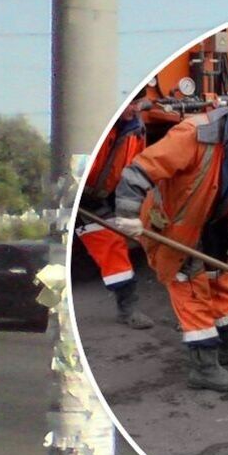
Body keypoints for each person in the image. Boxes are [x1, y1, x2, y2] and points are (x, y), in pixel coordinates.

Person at [111, 102, 228, 392]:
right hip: (173, 228)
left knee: (221, 282)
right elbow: (138, 172)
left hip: (212, 226)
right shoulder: (193, 136)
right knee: (191, 291)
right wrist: (127, 216)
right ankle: (204, 369)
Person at [74, 110, 154, 330]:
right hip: (73, 196)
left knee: (112, 246)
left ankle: (128, 309)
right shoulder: (93, 123)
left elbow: (132, 173)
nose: (134, 109)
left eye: (138, 103)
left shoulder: (136, 131)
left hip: (94, 199)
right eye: (131, 102)